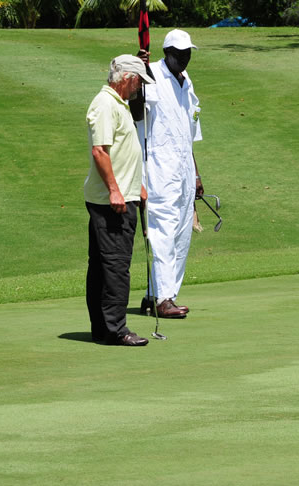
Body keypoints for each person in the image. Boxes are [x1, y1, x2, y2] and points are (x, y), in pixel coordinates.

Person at [84, 54, 155, 346]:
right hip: (112, 202)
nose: (139, 87)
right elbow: (99, 151)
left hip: (122, 195)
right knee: (114, 267)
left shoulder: (118, 103)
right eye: (138, 81)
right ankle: (116, 329)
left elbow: (123, 153)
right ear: (127, 78)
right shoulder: (105, 104)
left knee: (104, 266)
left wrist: (137, 186)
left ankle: (103, 329)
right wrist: (115, 190)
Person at [133, 29, 203, 319]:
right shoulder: (150, 74)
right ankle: (163, 299)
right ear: (167, 53)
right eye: (179, 54)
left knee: (182, 234)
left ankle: (157, 294)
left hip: (184, 169)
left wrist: (196, 174)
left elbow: (189, 132)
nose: (184, 58)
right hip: (159, 169)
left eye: (187, 53)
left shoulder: (187, 81)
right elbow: (136, 111)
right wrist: (139, 73)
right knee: (163, 232)